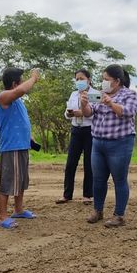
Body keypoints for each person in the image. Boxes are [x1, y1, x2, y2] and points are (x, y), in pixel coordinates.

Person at [80, 64, 137, 227]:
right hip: (98, 142)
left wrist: (111, 103)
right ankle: (97, 211)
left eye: (106, 79)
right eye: (103, 79)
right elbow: (89, 113)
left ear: (117, 81)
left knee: (119, 179)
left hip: (120, 143)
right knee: (98, 179)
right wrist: (84, 104)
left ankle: (119, 215)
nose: (103, 82)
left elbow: (128, 112)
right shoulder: (100, 94)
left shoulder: (130, 95)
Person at [0, 67, 40, 229]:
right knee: (7, 182)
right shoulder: (3, 97)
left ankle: (18, 210)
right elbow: (22, 90)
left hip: (22, 145)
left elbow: (20, 120)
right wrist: (33, 78)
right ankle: (2, 217)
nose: (23, 82)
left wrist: (29, 137)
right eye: (21, 80)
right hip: (10, 148)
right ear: (15, 84)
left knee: (21, 181)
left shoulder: (18, 101)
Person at [56, 69, 99, 205]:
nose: (79, 81)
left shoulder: (96, 94)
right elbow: (67, 112)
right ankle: (67, 195)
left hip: (90, 130)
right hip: (76, 129)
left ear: (89, 80)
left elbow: (97, 113)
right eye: (77, 79)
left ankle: (88, 195)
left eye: (82, 78)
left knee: (89, 163)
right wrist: (69, 114)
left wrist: (83, 113)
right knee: (70, 163)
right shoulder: (73, 94)